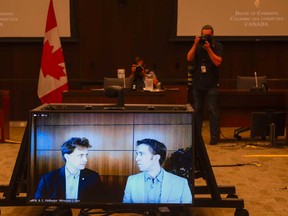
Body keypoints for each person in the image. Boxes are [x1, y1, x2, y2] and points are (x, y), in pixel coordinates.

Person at [123, 138, 192, 204]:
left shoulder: (181, 183)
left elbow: (187, 211)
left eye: (141, 154)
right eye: (137, 154)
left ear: (156, 158)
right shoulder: (131, 181)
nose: (137, 159)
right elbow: (126, 210)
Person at [34, 137, 103, 202]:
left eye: (86, 155)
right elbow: (38, 205)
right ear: (67, 157)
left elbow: (99, 204)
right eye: (81, 155)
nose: (85, 160)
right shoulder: (48, 179)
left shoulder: (93, 177)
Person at [187, 24, 223, 145]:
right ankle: (197, 137)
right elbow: (189, 58)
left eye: (208, 35)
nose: (206, 37)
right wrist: (195, 44)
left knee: (212, 109)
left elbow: (218, 62)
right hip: (198, 83)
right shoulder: (197, 46)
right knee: (197, 109)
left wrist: (208, 49)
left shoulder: (217, 46)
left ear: (212, 35)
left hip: (212, 83)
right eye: (203, 35)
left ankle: (214, 137)